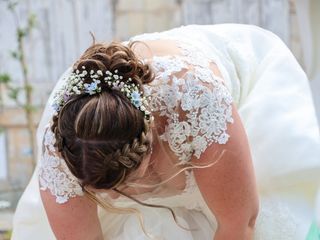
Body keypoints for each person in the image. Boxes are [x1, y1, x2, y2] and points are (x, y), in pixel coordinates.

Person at [11, 24, 320, 240]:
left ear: (148, 148)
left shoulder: (198, 100)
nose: (117, 197)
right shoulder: (63, 148)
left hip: (238, 99)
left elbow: (240, 223)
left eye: (124, 185)